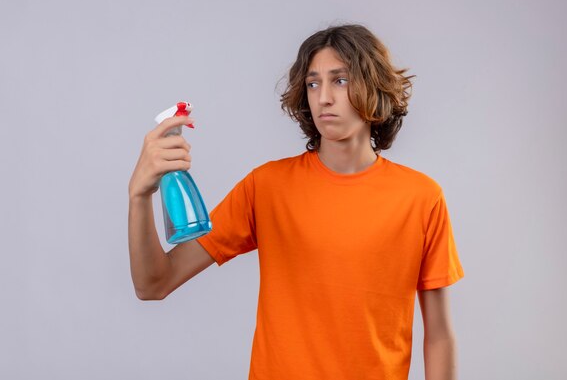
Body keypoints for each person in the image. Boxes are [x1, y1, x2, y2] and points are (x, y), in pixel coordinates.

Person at [128, 24, 464, 380]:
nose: (323, 98)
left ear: (374, 85)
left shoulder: (421, 197)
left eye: (340, 80)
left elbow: (439, 335)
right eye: (313, 83)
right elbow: (153, 284)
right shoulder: (267, 187)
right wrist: (139, 196)